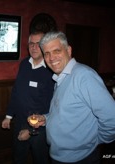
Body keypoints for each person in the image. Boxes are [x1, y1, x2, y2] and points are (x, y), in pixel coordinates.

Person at [30, 31, 115, 163]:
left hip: (80, 158)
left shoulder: (83, 76)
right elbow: (66, 112)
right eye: (47, 53)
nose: (51, 58)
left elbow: (112, 117)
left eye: (56, 51)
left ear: (68, 50)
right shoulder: (61, 77)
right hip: (58, 155)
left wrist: (97, 140)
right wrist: (46, 119)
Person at [2, 31, 55, 164]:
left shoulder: (51, 69)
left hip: (39, 128)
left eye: (38, 44)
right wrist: (8, 116)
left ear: (44, 46)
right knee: (18, 158)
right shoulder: (24, 64)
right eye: (31, 44)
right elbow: (16, 92)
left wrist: (30, 130)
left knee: (40, 160)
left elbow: (52, 106)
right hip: (19, 123)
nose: (34, 47)